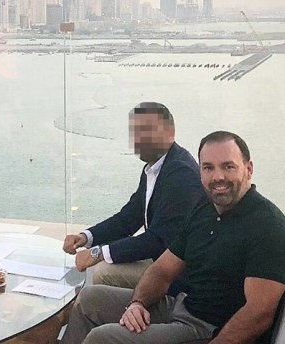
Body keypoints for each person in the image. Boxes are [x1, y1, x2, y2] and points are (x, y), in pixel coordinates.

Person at [62, 131, 285, 344]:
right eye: (208, 168)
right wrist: (138, 303)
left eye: (228, 166)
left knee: (104, 338)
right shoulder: (204, 211)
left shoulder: (267, 225)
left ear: (248, 169)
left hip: (207, 329)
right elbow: (162, 269)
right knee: (89, 300)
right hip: (181, 306)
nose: (218, 176)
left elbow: (259, 313)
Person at [63, 102, 206, 288]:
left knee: (103, 272)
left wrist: (98, 253)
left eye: (146, 130)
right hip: (161, 261)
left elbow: (158, 240)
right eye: (135, 132)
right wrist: (86, 237)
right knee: (100, 265)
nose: (139, 139)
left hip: (180, 276)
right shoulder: (155, 168)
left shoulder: (181, 173)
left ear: (170, 132)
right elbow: (128, 219)